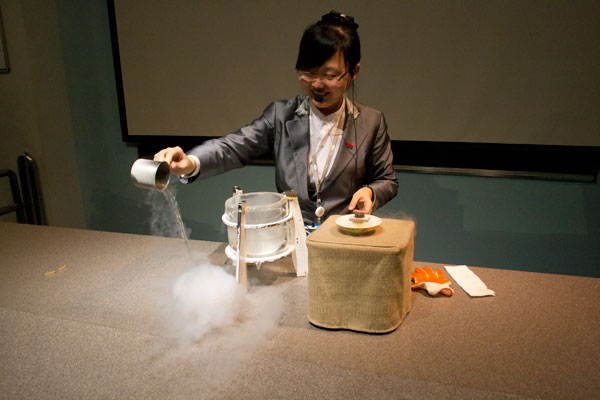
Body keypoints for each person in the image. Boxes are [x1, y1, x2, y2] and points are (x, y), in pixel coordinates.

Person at [154, 11, 397, 228]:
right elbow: (233, 147)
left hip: (343, 237)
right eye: (307, 72)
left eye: (330, 75)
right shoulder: (281, 116)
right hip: (290, 238)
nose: (317, 84)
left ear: (353, 72)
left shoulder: (370, 122)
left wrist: (370, 192)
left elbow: (386, 180)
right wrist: (191, 162)